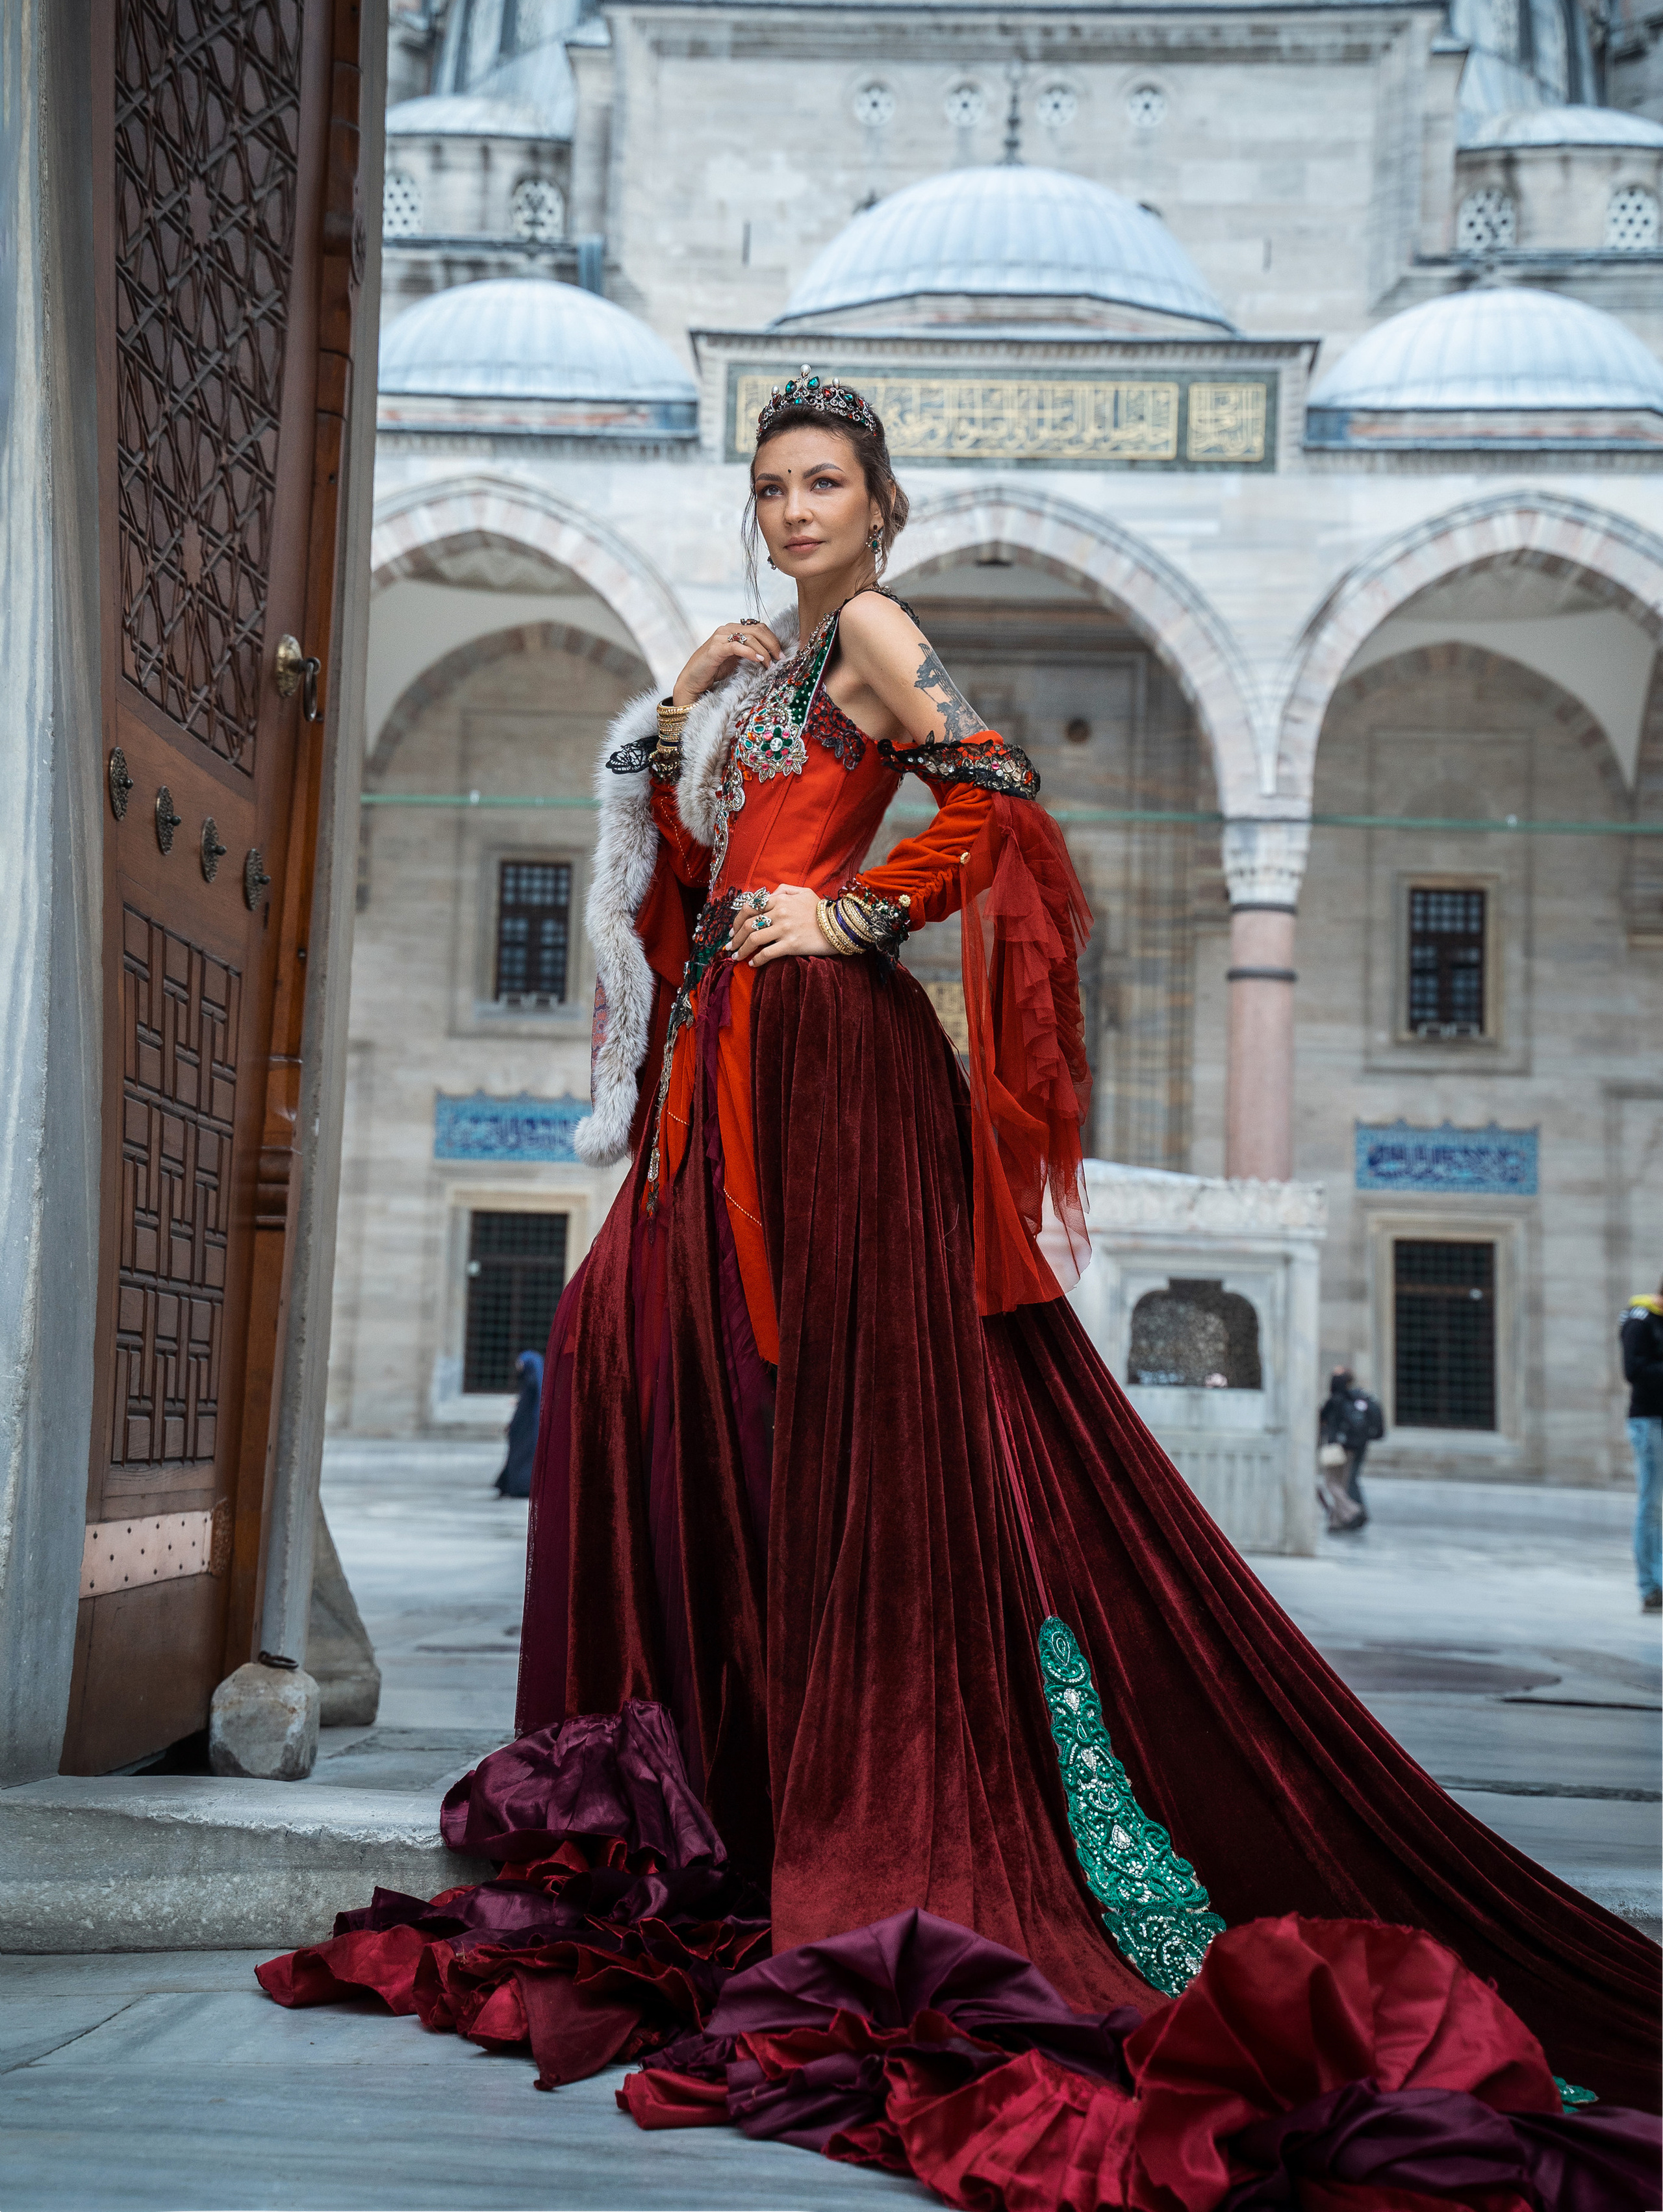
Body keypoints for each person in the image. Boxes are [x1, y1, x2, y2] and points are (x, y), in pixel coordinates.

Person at [258, 373, 1660, 2187]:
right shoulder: (763, 665)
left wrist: (859, 914)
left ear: (877, 498)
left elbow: (992, 797)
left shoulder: (875, 633)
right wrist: (669, 712)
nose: (788, 509)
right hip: (718, 1073)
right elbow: (678, 870)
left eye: (821, 481)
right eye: (769, 483)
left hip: (832, 1071)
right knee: (627, 1359)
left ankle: (844, 1778)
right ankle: (725, 1781)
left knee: (814, 1397)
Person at [1619, 1281, 1663, 1613]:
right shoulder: (1641, 1319)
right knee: (1652, 1505)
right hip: (1650, 1423)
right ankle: (1651, 1586)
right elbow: (1633, 1370)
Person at [1317, 1365, 1385, 1531]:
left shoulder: (1335, 1400)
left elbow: (1322, 1420)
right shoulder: (1356, 1398)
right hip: (1351, 1447)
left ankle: (1353, 1510)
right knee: (1343, 1483)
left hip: (1335, 1448)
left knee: (1331, 1483)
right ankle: (1338, 1521)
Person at [494, 1348, 543, 1499]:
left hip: (526, 1431)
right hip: (524, 1431)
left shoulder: (531, 1381)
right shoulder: (532, 1380)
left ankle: (521, 1486)